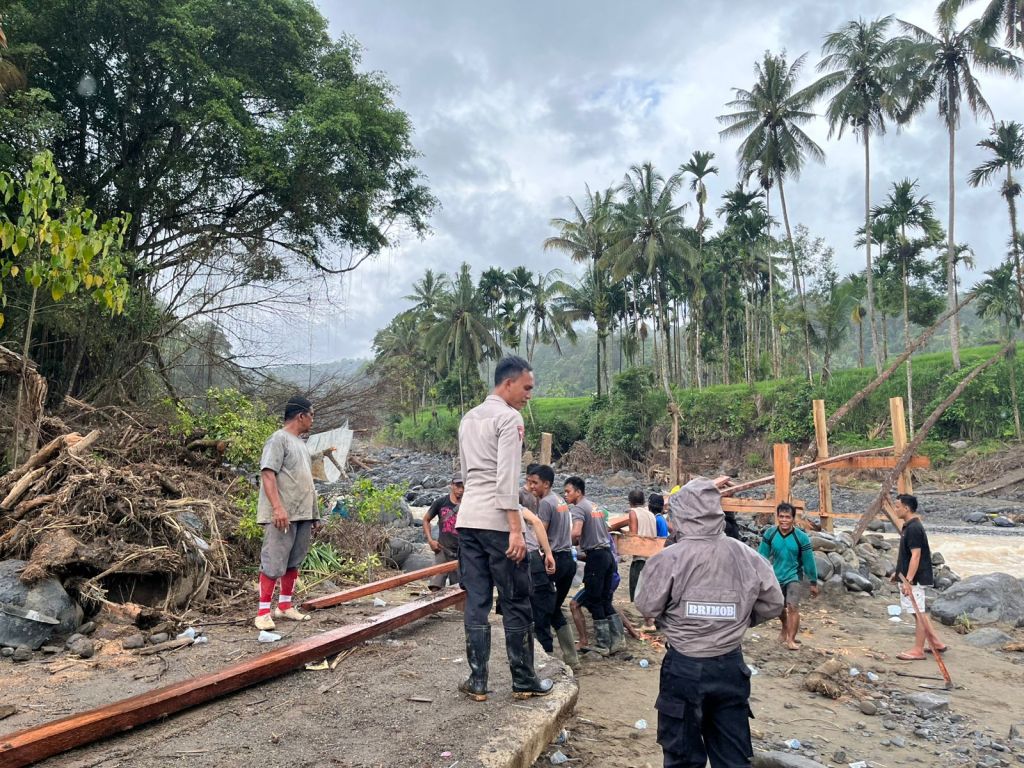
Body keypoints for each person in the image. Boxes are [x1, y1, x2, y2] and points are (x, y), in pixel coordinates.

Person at [636, 477, 784, 768]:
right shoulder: (746, 555)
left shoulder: (670, 558)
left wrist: (679, 619)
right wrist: (739, 619)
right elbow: (774, 603)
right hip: (730, 666)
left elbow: (646, 605)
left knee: (681, 756)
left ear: (680, 515)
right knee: (732, 757)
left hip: (684, 668)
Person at [455, 356, 553, 702]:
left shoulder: (469, 417)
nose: (529, 395)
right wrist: (515, 529)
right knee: (515, 600)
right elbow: (507, 478)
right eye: (527, 388)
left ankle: (478, 681)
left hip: (468, 520)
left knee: (477, 600)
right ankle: (523, 679)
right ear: (508, 383)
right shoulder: (510, 419)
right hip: (498, 523)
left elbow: (468, 475)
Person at [255, 396, 320, 631]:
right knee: (273, 560)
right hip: (282, 514)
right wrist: (277, 507)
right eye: (311, 414)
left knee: (293, 561)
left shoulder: (301, 444)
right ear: (301, 415)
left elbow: (306, 482)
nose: (313, 419)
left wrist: (314, 515)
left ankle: (284, 606)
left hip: (302, 513)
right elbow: (268, 474)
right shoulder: (278, 439)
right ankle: (263, 612)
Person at [524, 464, 579, 669]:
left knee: (542, 610)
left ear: (546, 484)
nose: (532, 487)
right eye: (529, 482)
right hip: (567, 560)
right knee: (554, 608)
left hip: (552, 561)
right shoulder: (560, 500)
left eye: (535, 483)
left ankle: (545, 659)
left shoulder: (546, 503)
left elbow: (541, 532)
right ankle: (572, 657)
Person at [567, 476, 624, 655]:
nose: (566, 495)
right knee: (606, 599)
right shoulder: (594, 506)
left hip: (596, 558)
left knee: (595, 599)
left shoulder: (578, 509)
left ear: (578, 491)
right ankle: (618, 642)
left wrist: (561, 543)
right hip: (607, 555)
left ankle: (602, 645)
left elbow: (576, 532)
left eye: (568, 491)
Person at [757, 502, 819, 651]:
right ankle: (785, 627)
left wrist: (813, 581)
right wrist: (758, 576)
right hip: (776, 576)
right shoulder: (770, 534)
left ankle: (791, 639)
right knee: (778, 608)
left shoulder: (801, 538)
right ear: (777, 517)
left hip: (794, 576)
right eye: (781, 517)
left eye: (787, 517)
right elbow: (761, 557)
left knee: (793, 606)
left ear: (793, 519)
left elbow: (808, 561)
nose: (784, 520)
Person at [893, 493, 943, 660]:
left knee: (918, 612)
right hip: (910, 576)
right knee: (917, 612)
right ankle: (935, 642)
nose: (895, 509)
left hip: (915, 578)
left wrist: (908, 580)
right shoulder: (909, 525)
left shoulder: (914, 528)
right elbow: (906, 555)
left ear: (906, 508)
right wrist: (898, 573)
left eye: (897, 506)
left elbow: (916, 555)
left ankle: (918, 649)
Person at [423, 473, 464, 591]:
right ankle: (433, 609)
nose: (460, 490)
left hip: (461, 553)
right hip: (442, 549)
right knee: (435, 586)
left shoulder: (468, 505)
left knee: (459, 589)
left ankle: (458, 610)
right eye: (457, 486)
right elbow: (426, 520)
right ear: (451, 485)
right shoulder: (441, 502)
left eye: (463, 487)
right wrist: (430, 541)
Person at [627, 488, 658, 601]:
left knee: (636, 592)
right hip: (653, 556)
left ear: (630, 502)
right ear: (643, 501)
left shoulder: (633, 513)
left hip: (640, 557)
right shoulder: (650, 514)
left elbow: (634, 536)